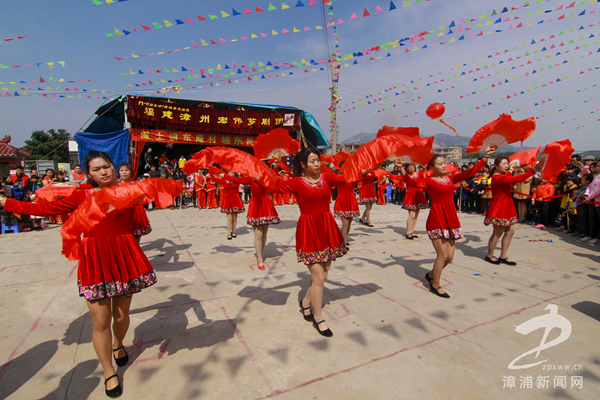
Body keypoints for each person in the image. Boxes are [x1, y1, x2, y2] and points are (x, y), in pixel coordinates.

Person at [0, 151, 171, 398]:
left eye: (106, 166)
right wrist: (7, 203)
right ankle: (108, 371)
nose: (103, 172)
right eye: (96, 169)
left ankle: (118, 344)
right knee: (101, 320)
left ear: (114, 167)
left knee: (121, 316)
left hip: (123, 255)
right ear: (89, 174)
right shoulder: (81, 195)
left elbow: (158, 192)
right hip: (94, 258)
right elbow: (45, 209)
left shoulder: (130, 191)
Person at [397, 147, 496, 298]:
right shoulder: (428, 181)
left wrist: (485, 157)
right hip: (436, 218)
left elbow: (469, 173)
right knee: (442, 255)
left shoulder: (451, 178)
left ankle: (431, 275)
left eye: (444, 163)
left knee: (450, 257)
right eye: (440, 163)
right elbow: (412, 183)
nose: (444, 166)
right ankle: (435, 285)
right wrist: (401, 169)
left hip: (451, 219)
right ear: (432, 167)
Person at [275, 148, 347, 337]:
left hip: (327, 229)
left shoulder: (327, 178)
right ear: (303, 165)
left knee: (322, 275)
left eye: (318, 160)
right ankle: (319, 317)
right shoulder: (296, 182)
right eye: (313, 161)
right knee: (319, 278)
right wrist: (268, 168)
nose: (317, 164)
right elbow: (272, 187)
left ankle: (305, 303)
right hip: (308, 231)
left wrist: (365, 167)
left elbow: (349, 178)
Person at [484, 157, 542, 265]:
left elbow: (510, 178)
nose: (506, 166)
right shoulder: (497, 177)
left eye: (507, 164)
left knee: (510, 231)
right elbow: (516, 179)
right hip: (500, 206)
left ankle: (503, 256)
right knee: (497, 233)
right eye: (504, 164)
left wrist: (510, 171)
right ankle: (489, 254)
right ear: (496, 165)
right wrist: (533, 171)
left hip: (508, 204)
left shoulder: (503, 176)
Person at [223, 172, 280, 270]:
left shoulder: (267, 177)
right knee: (258, 234)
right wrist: (220, 173)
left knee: (264, 235)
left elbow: (273, 182)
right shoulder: (250, 179)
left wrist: (275, 165)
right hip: (255, 207)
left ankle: (259, 253)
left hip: (266, 205)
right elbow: (235, 179)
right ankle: (260, 258)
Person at [118, 163, 152, 243]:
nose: (124, 172)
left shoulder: (137, 184)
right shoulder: (116, 185)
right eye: (121, 170)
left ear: (131, 172)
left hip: (136, 211)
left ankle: (136, 250)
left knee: (136, 234)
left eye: (126, 170)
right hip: (122, 213)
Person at [332, 160, 359, 246]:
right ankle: (342, 243)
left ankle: (343, 239)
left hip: (351, 200)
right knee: (345, 223)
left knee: (349, 222)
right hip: (342, 200)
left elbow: (364, 172)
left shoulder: (354, 176)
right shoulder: (337, 177)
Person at [213, 171, 245, 239]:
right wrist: (210, 172)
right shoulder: (224, 181)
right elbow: (214, 180)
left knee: (235, 218)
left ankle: (233, 232)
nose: (232, 174)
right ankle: (229, 233)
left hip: (236, 199)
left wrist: (242, 170)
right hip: (228, 199)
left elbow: (243, 178)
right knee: (230, 218)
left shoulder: (237, 180)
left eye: (233, 173)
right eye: (230, 173)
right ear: (227, 174)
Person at [401, 163, 428, 239]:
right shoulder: (407, 176)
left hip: (419, 194)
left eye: (412, 166)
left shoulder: (420, 174)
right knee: (412, 215)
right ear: (407, 169)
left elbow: (428, 175)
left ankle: (412, 231)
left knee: (416, 215)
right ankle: (408, 232)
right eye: (409, 167)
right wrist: (400, 166)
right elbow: (403, 174)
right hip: (411, 195)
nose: (411, 168)